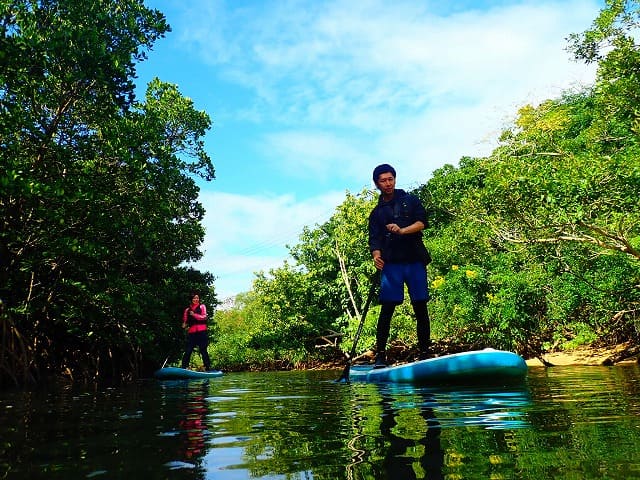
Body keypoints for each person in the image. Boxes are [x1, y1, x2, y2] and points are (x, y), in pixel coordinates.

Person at [368, 164, 431, 368]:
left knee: (420, 306)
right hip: (391, 265)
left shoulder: (410, 200)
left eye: (390, 179)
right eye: (383, 180)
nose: (388, 183)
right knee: (387, 309)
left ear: (395, 179)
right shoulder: (376, 213)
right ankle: (380, 356)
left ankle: (425, 353)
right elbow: (374, 239)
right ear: (377, 183)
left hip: (414, 260)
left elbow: (422, 222)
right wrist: (376, 256)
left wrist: (403, 230)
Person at [181, 292, 212, 371]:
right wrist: (184, 325)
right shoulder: (187, 310)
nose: (196, 299)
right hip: (192, 332)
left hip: (202, 331)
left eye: (197, 298)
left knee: (203, 349)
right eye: (194, 298)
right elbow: (185, 320)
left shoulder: (202, 306)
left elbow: (204, 317)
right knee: (188, 349)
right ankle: (184, 367)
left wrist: (194, 314)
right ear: (191, 299)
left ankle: (207, 366)